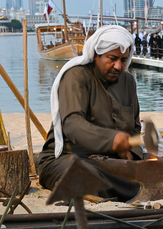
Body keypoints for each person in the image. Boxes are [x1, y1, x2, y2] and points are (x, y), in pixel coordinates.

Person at [37, 26, 142, 202]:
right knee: (87, 176)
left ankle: (130, 190)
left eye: (124, 60)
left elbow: (135, 127)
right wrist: (112, 139)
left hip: (112, 162)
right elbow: (72, 124)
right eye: (112, 59)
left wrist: (128, 150)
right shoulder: (76, 76)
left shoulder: (128, 81)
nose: (118, 66)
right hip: (68, 159)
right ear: (95, 55)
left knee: (155, 173)